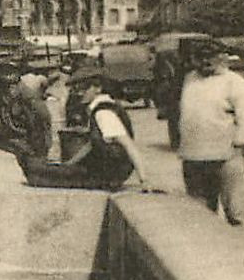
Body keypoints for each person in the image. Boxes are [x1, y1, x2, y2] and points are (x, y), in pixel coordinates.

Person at [17, 69, 150, 192]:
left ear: (98, 88)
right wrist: (69, 163)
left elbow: (128, 144)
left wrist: (144, 180)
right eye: (77, 88)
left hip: (109, 174)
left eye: (85, 88)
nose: (80, 92)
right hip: (108, 171)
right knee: (48, 169)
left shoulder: (103, 112)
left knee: (40, 171)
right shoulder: (100, 108)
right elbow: (92, 145)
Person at [178, 38, 244, 227]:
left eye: (211, 57)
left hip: (226, 156)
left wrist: (242, 146)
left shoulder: (234, 82)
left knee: (236, 213)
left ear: (223, 58)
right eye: (201, 57)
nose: (205, 62)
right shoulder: (189, 80)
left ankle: (239, 253)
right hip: (193, 156)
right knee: (199, 216)